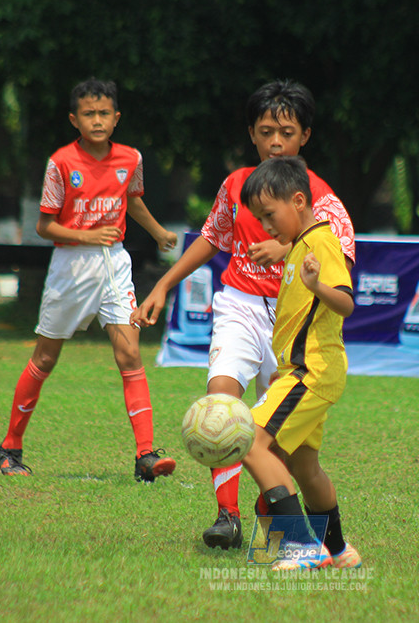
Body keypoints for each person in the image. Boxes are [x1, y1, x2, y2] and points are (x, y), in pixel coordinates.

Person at [131, 80, 354, 548]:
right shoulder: (238, 186)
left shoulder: (323, 202)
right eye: (266, 131)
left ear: (305, 137)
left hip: (296, 327)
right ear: (251, 134)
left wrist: (288, 245)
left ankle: (290, 530)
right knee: (223, 403)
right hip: (240, 303)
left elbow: (337, 263)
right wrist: (164, 285)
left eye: (287, 132)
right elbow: (213, 237)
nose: (276, 142)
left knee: (286, 448)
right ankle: (226, 515)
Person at [0, 78, 178, 482]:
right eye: (88, 114)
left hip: (114, 263)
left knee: (130, 354)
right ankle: (10, 447)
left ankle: (145, 455)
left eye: (104, 113)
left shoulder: (131, 158)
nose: (97, 120)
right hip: (71, 268)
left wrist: (159, 232)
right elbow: (45, 226)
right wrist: (86, 235)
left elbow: (131, 200)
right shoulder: (61, 162)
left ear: (116, 118)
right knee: (45, 358)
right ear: (74, 119)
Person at [239, 155, 361, 570]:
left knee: (250, 442)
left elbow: (345, 303)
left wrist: (317, 284)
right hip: (304, 370)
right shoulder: (298, 247)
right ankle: (340, 551)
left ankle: (301, 545)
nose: (266, 227)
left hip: (313, 369)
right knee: (305, 467)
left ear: (298, 200)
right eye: (259, 219)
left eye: (270, 215)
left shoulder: (321, 243)